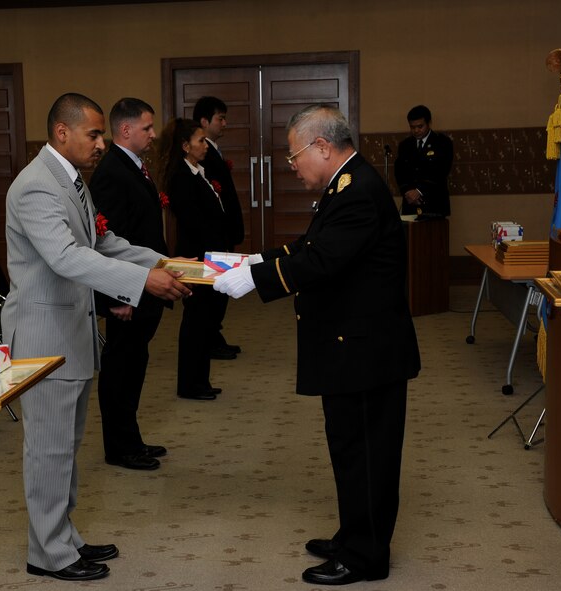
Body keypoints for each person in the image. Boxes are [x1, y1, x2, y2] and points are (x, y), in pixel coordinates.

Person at [214, 104, 420, 585]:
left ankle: (365, 557)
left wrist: (253, 282)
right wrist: (248, 263)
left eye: (293, 156)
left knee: (366, 454)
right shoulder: (346, 185)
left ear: (322, 147)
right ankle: (354, 534)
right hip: (353, 345)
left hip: (366, 350)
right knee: (350, 448)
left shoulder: (357, 191)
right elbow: (309, 246)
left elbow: (322, 261)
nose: (292, 166)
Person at [0, 93, 192, 582]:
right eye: (94, 134)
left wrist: (160, 262)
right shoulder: (35, 187)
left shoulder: (70, 181)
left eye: (103, 134)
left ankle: (62, 537)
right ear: (61, 132)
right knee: (48, 448)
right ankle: (47, 553)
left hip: (70, 334)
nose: (101, 143)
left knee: (65, 446)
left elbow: (101, 242)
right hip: (44, 338)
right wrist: (143, 283)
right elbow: (66, 258)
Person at [90, 98, 169, 471]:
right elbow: (106, 241)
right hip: (128, 290)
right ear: (125, 130)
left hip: (143, 283)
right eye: (147, 128)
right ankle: (119, 447)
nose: (153, 135)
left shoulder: (132, 166)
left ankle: (131, 438)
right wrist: (117, 294)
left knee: (135, 362)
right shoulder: (110, 172)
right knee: (121, 366)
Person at [158, 118, 232, 400]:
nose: (205, 146)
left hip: (212, 258)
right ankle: (190, 384)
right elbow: (194, 222)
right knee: (196, 322)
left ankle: (201, 380)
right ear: (185, 145)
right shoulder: (180, 177)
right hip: (198, 259)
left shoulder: (197, 171)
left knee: (206, 320)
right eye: (200, 141)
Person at [193, 96, 244, 360]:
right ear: (204, 121)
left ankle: (215, 334)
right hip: (213, 236)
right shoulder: (205, 155)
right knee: (214, 292)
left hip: (223, 232)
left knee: (220, 291)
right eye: (219, 118)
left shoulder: (213, 151)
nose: (224, 123)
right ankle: (211, 337)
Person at [394, 104, 453, 217]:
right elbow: (399, 172)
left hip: (435, 203)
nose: (416, 130)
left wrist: (419, 191)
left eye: (420, 126)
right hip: (410, 204)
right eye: (412, 127)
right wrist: (408, 192)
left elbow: (441, 171)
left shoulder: (442, 142)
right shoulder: (405, 145)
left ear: (429, 123)